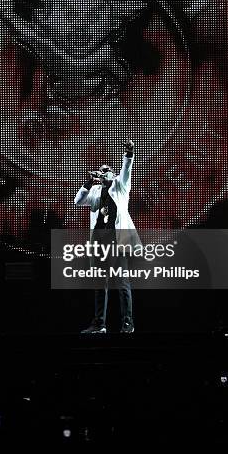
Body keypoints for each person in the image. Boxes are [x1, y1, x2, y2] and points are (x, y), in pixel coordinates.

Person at [74, 140, 139, 334]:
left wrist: (129, 153)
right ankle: (99, 324)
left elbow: (126, 169)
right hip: (99, 243)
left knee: (122, 283)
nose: (104, 172)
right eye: (101, 170)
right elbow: (78, 201)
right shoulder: (94, 191)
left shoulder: (120, 186)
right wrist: (88, 182)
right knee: (99, 284)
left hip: (116, 242)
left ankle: (128, 323)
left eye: (107, 169)